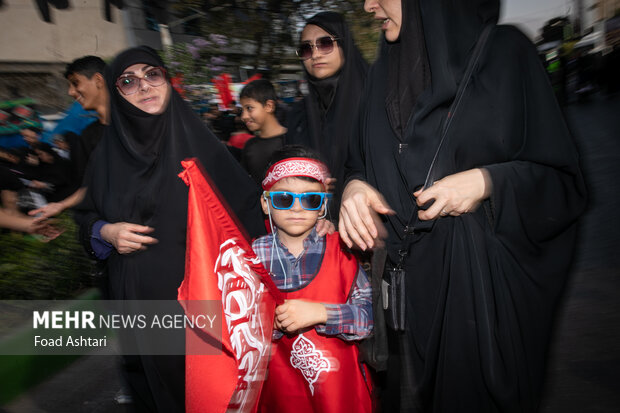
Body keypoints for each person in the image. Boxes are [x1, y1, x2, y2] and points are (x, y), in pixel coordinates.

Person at [340, 0, 587, 412]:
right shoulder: (382, 72)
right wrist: (353, 188)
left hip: (480, 299)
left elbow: (562, 184)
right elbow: (357, 160)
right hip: (410, 307)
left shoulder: (504, 54)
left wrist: (486, 182)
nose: (368, 5)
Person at [74, 46, 265, 412]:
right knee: (155, 395)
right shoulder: (105, 156)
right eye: (128, 82)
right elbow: (86, 217)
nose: (144, 86)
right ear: (116, 93)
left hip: (208, 311)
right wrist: (106, 232)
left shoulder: (204, 148)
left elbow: (249, 214)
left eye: (152, 74)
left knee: (209, 395)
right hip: (138, 311)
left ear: (167, 80)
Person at [253, 145, 373, 413]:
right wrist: (265, 322)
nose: (297, 208)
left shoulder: (343, 249)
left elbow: (368, 318)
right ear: (265, 202)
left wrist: (321, 313)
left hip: (341, 394)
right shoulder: (251, 258)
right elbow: (234, 325)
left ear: (322, 207)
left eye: (310, 200)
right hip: (278, 395)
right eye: (284, 199)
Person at [286, 11, 368, 218]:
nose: (315, 54)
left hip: (374, 227)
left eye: (325, 43)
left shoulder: (377, 99)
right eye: (306, 48)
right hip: (314, 226)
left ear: (344, 45)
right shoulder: (297, 116)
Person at [29, 56, 109, 218]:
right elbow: (90, 187)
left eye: (76, 83)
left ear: (98, 80)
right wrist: (60, 205)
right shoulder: (88, 136)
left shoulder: (136, 121)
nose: (71, 92)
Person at [239, 79, 288, 185]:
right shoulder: (250, 146)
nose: (244, 116)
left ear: (269, 106)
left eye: (249, 108)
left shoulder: (291, 140)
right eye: (242, 110)